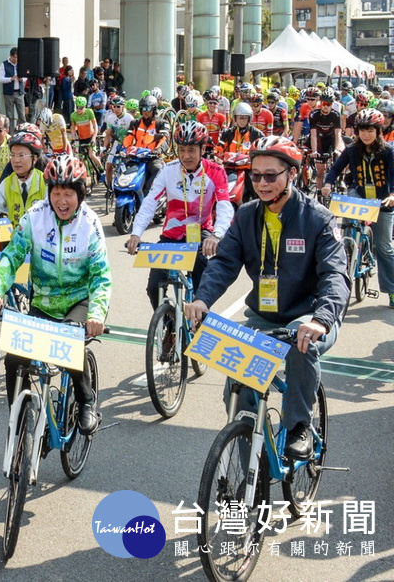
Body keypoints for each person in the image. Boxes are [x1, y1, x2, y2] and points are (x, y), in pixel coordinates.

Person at [185, 137, 348, 460]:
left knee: (302, 345)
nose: (261, 183)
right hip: (263, 316)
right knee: (240, 389)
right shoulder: (246, 216)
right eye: (255, 175)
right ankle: (249, 460)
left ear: (292, 175)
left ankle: (300, 425)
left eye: (271, 175)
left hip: (309, 315)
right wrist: (202, 299)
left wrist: (321, 319)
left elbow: (335, 276)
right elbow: (224, 263)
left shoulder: (318, 219)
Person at [0, 155, 110, 432]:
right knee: (15, 359)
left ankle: (86, 401)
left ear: (80, 194)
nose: (61, 201)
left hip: (80, 301)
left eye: (68, 194)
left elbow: (101, 275)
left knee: (69, 346)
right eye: (56, 193)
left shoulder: (90, 223)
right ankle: (21, 418)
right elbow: (11, 256)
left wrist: (97, 313)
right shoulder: (34, 217)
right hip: (42, 302)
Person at [126, 122, 233, 308]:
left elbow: (225, 205)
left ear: (202, 149)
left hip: (201, 232)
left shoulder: (216, 172)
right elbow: (150, 202)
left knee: (202, 275)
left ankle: (200, 316)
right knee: (153, 287)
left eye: (191, 150)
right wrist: (136, 233)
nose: (186, 156)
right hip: (171, 235)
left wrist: (217, 235)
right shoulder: (168, 171)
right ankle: (166, 324)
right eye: (182, 150)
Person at [323, 108, 394, 306]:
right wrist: (328, 184)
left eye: (371, 130)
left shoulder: (389, 151)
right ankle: (348, 251)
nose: (366, 134)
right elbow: (336, 168)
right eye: (362, 130)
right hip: (358, 196)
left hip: (382, 201)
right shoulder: (352, 149)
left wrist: (392, 195)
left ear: (379, 131)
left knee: (384, 248)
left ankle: (392, 290)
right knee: (347, 231)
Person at [122, 96, 169, 195]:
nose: (145, 111)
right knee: (123, 169)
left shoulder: (161, 123)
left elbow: (164, 139)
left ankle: (148, 193)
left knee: (158, 168)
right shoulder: (135, 123)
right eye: (143, 108)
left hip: (153, 157)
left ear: (154, 109)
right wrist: (124, 148)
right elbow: (129, 137)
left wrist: (158, 150)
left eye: (148, 109)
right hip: (137, 157)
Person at [306, 92, 345, 190]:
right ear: (320, 103)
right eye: (324, 104)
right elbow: (313, 135)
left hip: (331, 139)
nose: (326, 107)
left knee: (343, 154)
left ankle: (341, 180)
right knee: (320, 172)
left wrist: (337, 149)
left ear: (332, 104)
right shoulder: (314, 115)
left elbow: (338, 134)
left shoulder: (335, 115)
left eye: (329, 104)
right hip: (319, 139)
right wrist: (314, 151)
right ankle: (319, 194)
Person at [0, 48, 26, 125]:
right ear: (10, 56)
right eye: (14, 57)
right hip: (9, 93)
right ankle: (10, 134)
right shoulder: (4, 64)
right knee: (9, 116)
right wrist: (10, 79)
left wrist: (22, 79)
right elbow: (1, 79)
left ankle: (21, 132)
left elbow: (26, 76)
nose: (16, 59)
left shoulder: (21, 64)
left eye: (17, 57)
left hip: (19, 92)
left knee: (22, 115)